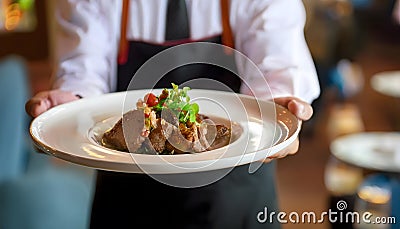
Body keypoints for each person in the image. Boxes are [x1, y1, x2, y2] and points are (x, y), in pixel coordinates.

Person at [26, 0, 319, 228]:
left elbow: (277, 64)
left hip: (237, 196)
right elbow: (83, 69)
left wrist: (276, 112)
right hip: (128, 199)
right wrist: (72, 102)